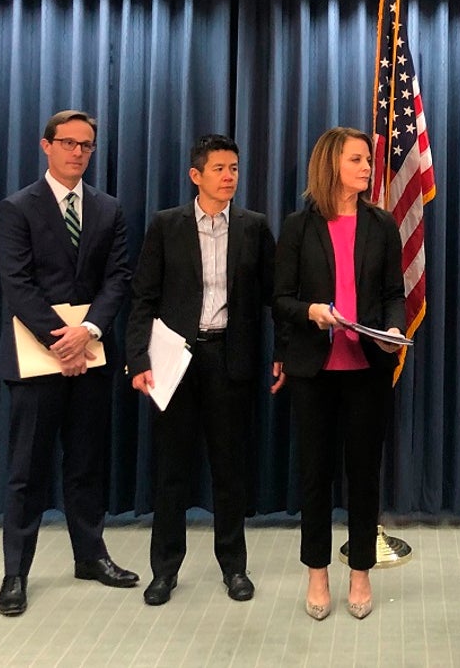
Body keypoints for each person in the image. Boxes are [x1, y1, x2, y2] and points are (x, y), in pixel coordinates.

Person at [0, 110, 137, 616]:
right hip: (35, 359)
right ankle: (15, 573)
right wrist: (62, 341)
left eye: (87, 145)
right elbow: (16, 283)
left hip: (92, 356)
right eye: (69, 143)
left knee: (86, 464)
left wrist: (89, 332)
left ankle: (90, 556)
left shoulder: (109, 208)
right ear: (46, 146)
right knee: (26, 471)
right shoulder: (17, 208)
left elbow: (118, 278)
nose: (79, 152)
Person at [125, 134, 277, 606]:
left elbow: (275, 296)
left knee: (230, 471)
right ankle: (164, 571)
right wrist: (138, 359)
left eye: (234, 167)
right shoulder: (166, 225)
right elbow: (144, 297)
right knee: (172, 471)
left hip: (230, 361)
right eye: (220, 169)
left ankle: (234, 568)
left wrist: (285, 351)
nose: (230, 176)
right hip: (176, 362)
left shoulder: (254, 226)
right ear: (196, 175)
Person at [272, 127, 406, 620]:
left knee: (364, 473)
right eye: (357, 160)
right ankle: (317, 572)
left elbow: (395, 292)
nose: (367, 167)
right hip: (315, 369)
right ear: (331, 165)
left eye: (367, 160)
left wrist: (391, 328)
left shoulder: (382, 223)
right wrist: (310, 311)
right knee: (314, 474)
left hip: (367, 368)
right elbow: (280, 299)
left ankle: (361, 571)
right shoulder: (298, 226)